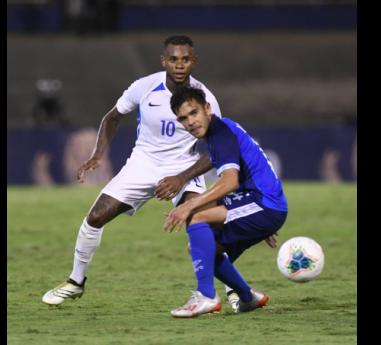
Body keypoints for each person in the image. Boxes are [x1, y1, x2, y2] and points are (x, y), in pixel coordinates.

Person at [42, 35, 222, 305]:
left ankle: (224, 291)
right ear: (164, 61)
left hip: (185, 167)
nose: (179, 65)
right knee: (96, 217)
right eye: (173, 59)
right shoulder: (144, 87)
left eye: (185, 59)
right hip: (143, 164)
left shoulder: (205, 98)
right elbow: (112, 117)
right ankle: (75, 281)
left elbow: (218, 149)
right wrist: (97, 155)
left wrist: (182, 177)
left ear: (193, 61)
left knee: (202, 223)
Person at [163, 86, 288, 318]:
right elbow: (235, 178)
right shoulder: (220, 130)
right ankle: (248, 298)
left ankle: (206, 296)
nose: (190, 122)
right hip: (260, 204)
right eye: (183, 118)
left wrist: (189, 205)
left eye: (194, 113)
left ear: (207, 109)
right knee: (202, 246)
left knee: (196, 216)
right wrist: (254, 218)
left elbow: (230, 181)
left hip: (264, 203)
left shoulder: (220, 133)